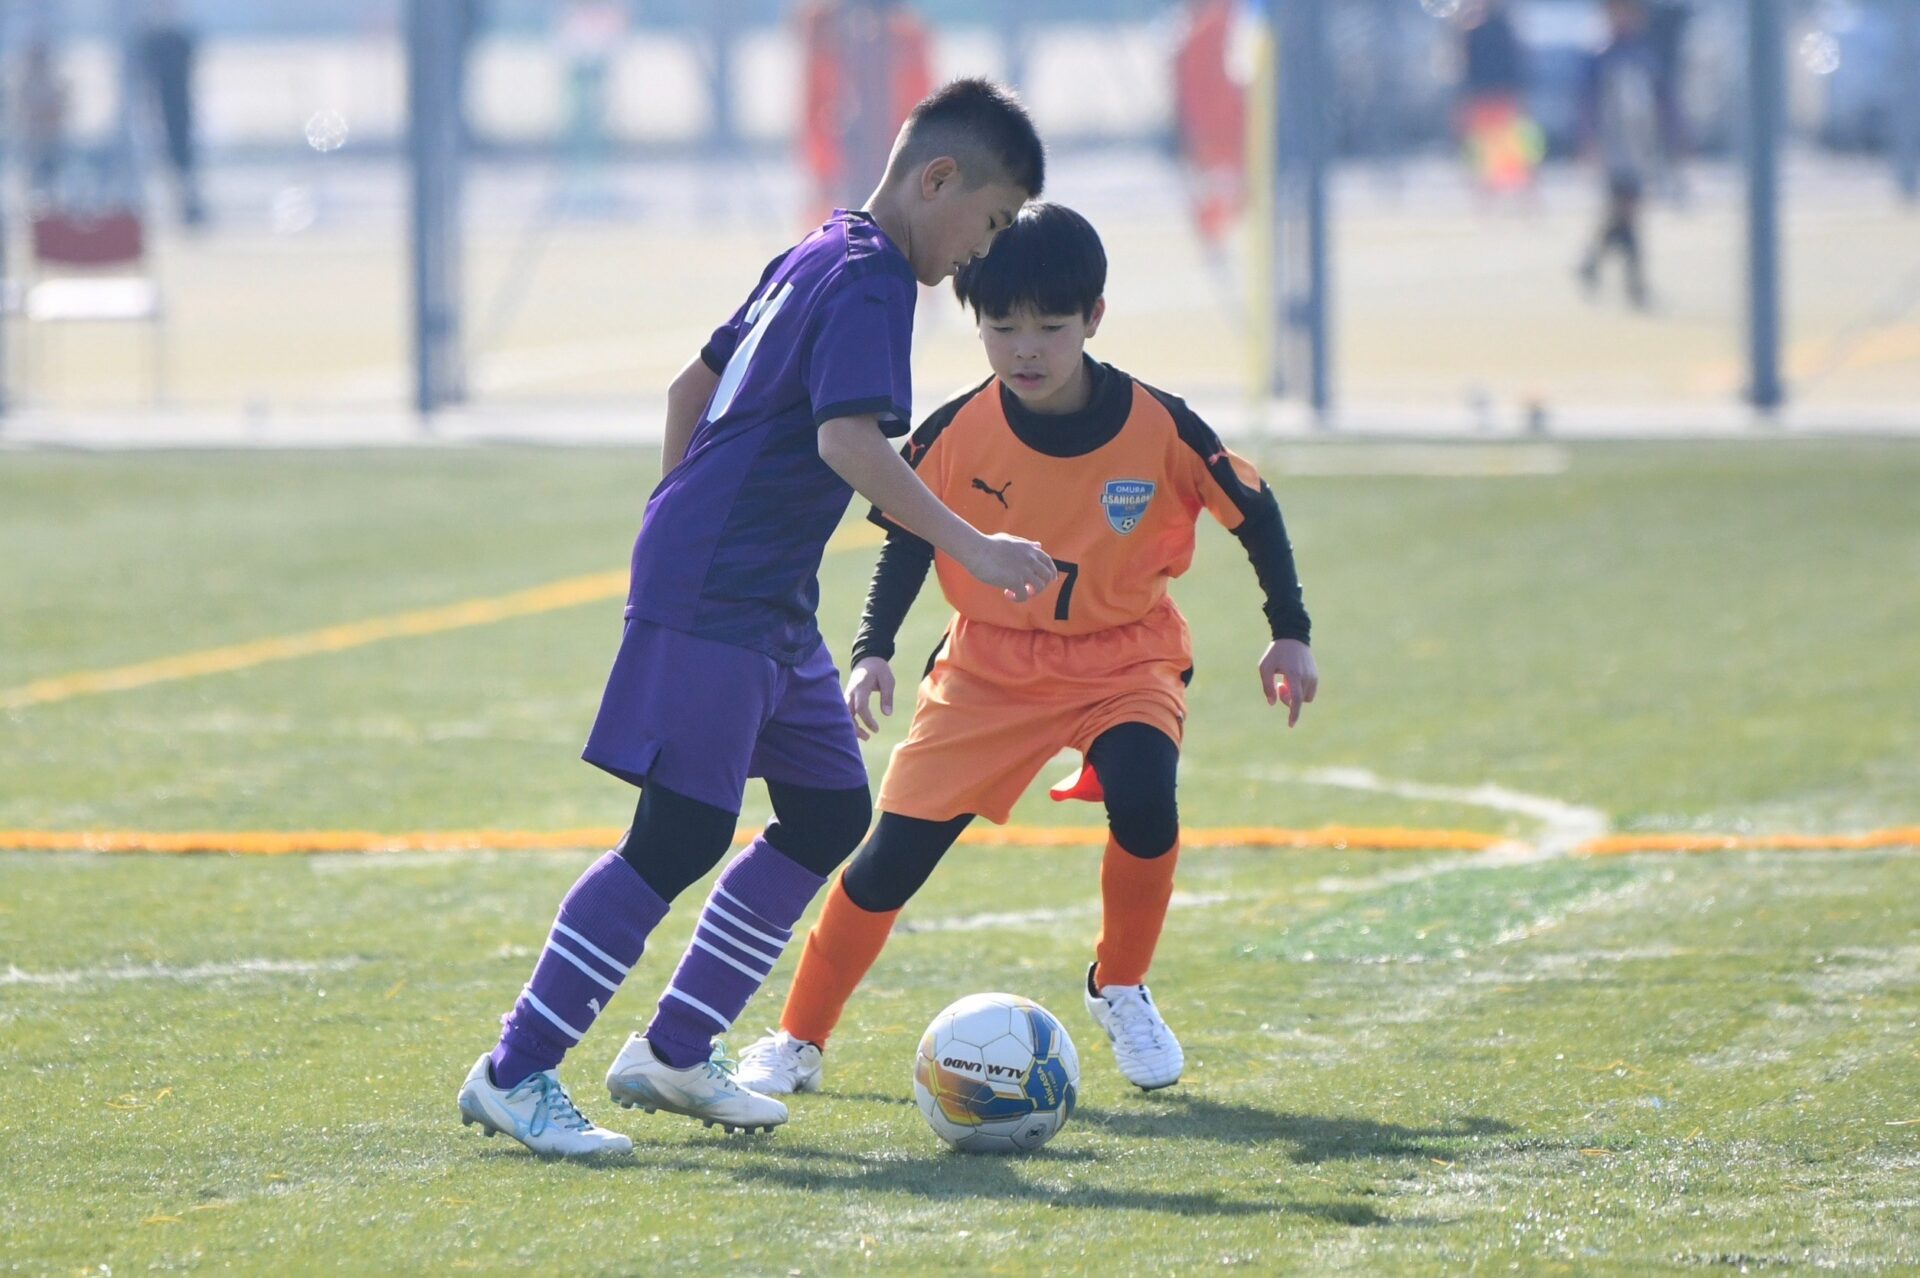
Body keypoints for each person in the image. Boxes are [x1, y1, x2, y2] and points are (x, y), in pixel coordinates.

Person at [456, 78, 1055, 1158]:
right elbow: (849, 443)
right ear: (939, 179)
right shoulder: (874, 280)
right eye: (993, 219)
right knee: (680, 832)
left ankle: (675, 1052)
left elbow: (688, 392)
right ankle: (515, 1072)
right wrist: (974, 546)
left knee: (826, 814)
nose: (986, 248)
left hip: (759, 592)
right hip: (722, 589)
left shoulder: (821, 248)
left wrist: (683, 516)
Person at [732, 202, 1317, 1100]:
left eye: (1051, 326)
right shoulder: (957, 430)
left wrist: (1289, 631)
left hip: (1125, 655)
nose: (1026, 349)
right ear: (976, 323)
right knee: (889, 862)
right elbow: (909, 538)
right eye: (1002, 327)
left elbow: (1254, 511)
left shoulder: (1161, 426)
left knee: (1146, 796)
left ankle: (1120, 986)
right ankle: (797, 1038)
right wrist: (873, 649)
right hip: (987, 668)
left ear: (1094, 318)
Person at [1577, 0, 1661, 309]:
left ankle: (1592, 262)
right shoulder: (1601, 57)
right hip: (1613, 144)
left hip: (1638, 145)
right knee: (1626, 210)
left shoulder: (1643, 55)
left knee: (1622, 211)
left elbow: (1661, 98)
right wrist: (1589, 141)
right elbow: (1587, 102)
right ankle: (1635, 284)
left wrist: (1674, 136)